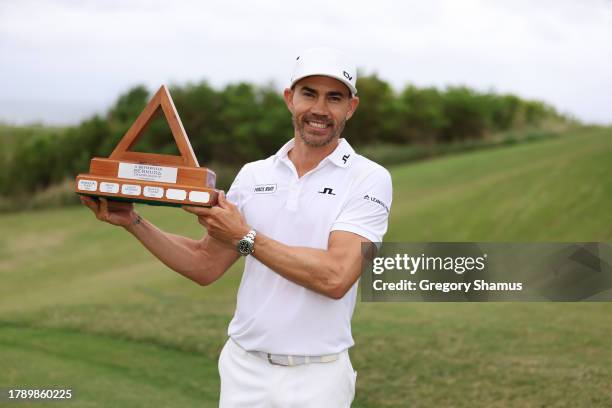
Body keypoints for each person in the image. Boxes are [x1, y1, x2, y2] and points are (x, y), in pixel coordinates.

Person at [81, 47, 393, 408]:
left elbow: (336, 277)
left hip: (317, 377)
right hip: (244, 369)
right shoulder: (254, 174)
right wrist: (134, 222)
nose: (320, 109)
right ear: (290, 99)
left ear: (350, 107)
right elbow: (205, 264)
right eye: (309, 94)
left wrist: (244, 238)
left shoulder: (369, 178)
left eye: (334, 98)